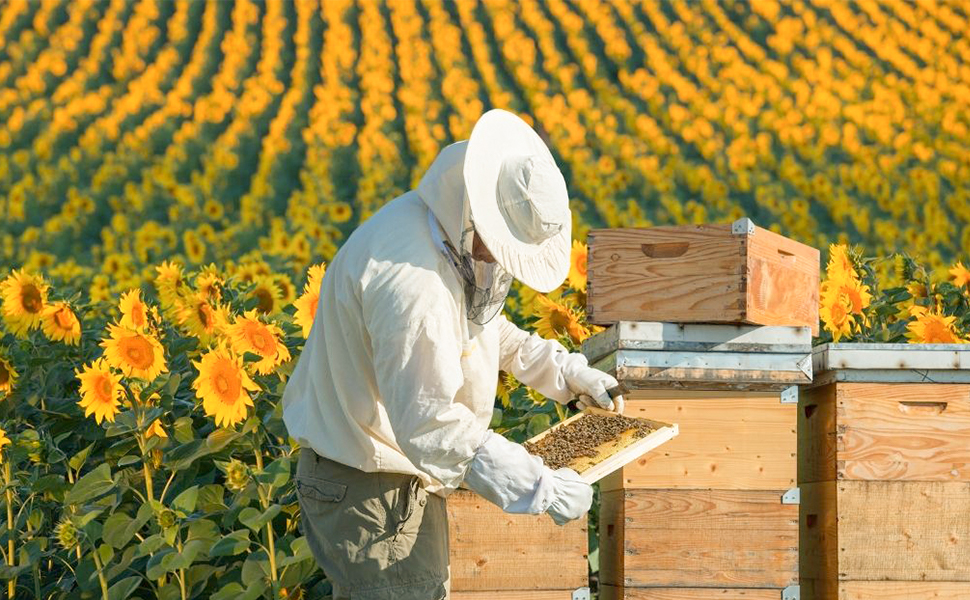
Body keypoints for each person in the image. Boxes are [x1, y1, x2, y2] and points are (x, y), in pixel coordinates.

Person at [281, 109, 625, 600]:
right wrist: (538, 487)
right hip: (372, 492)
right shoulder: (413, 282)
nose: (497, 261)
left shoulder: (436, 230)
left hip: (381, 483)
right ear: (481, 213)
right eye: (500, 248)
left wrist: (565, 373)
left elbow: (481, 331)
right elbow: (430, 423)